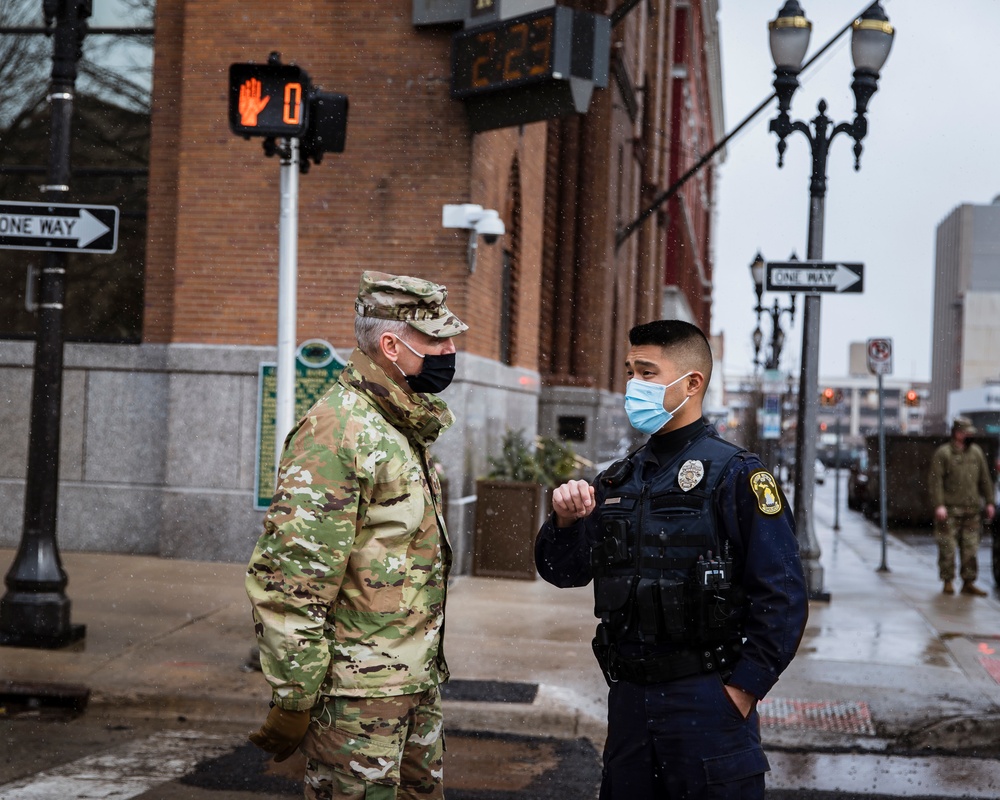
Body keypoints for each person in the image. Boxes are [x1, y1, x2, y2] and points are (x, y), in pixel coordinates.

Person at [535, 319, 808, 800]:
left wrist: (742, 691)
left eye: (646, 372)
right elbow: (564, 572)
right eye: (629, 371)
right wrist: (564, 522)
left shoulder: (737, 475)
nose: (632, 386)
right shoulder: (618, 480)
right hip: (630, 702)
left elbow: (782, 595)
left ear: (691, 383)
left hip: (707, 697)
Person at [246, 270, 467, 799]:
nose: (451, 348)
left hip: (413, 684)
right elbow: (293, 579)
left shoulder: (397, 423)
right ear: (391, 345)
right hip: (356, 697)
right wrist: (295, 697)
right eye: (436, 338)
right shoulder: (338, 430)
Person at [928, 416, 996, 597]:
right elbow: (936, 482)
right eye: (966, 433)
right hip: (949, 510)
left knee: (971, 549)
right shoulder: (944, 453)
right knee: (947, 547)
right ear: (957, 433)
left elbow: (985, 479)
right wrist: (939, 505)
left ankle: (968, 582)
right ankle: (947, 581)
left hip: (971, 510)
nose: (969, 436)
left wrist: (989, 501)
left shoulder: (976, 453)